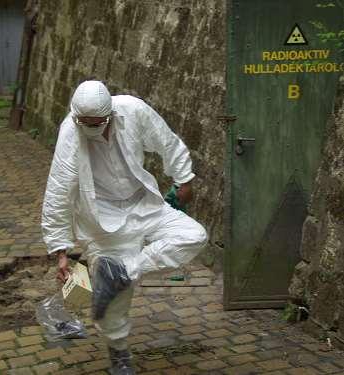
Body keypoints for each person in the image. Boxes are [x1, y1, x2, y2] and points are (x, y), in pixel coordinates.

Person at [41, 80, 208, 374]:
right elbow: (59, 189)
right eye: (84, 122)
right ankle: (119, 353)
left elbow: (166, 140)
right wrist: (60, 249)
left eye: (97, 122)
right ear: (76, 116)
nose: (91, 127)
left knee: (193, 235)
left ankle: (122, 271)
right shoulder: (70, 131)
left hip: (145, 205)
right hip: (102, 222)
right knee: (112, 303)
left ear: (110, 114)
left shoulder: (132, 110)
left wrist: (184, 179)